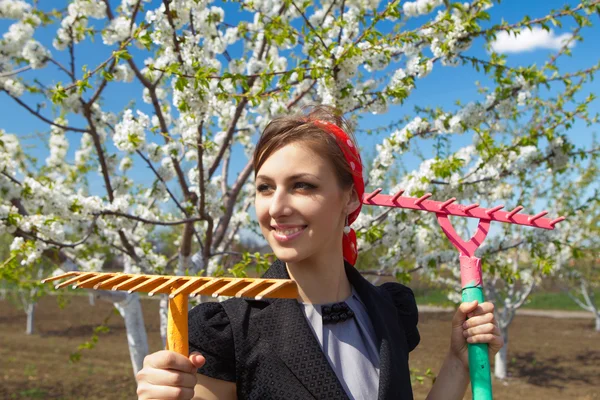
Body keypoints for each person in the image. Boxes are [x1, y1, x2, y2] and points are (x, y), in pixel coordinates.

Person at [136, 106, 504, 400]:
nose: (276, 207)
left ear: (350, 197)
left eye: (302, 185)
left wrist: (459, 363)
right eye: (265, 188)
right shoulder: (230, 329)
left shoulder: (390, 311)